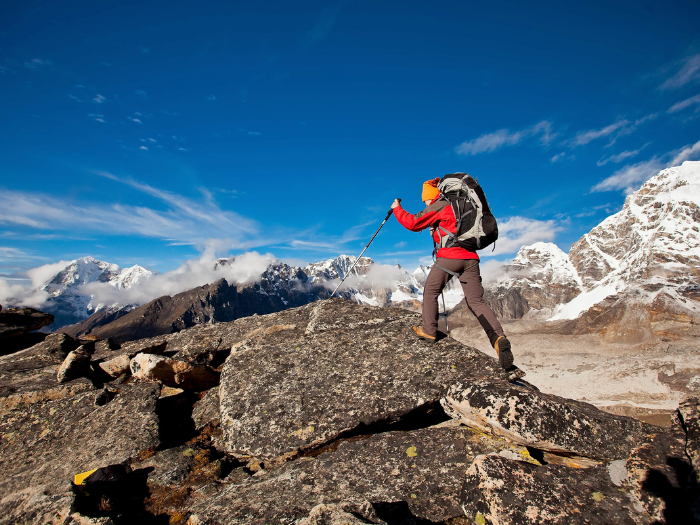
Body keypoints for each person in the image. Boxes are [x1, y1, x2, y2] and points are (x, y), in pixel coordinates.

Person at [391, 177, 515, 372]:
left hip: (450, 257)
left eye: (425, 200)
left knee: (431, 291)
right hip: (471, 259)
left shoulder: (440, 205)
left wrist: (397, 208)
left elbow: (413, 223)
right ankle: (498, 338)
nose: (425, 204)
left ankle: (429, 331)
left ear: (430, 197)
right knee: (476, 301)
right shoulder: (459, 206)